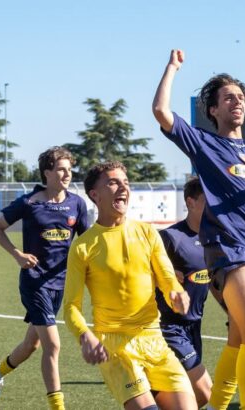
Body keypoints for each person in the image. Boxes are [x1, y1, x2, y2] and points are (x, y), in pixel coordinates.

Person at [152, 49, 245, 410]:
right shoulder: (204, 143)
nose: (237, 102)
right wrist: (172, 68)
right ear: (213, 110)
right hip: (228, 250)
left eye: (241, 98)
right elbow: (160, 111)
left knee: (239, 340)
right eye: (228, 98)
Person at [63, 161, 197, 410]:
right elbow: (71, 305)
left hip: (154, 339)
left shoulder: (147, 232)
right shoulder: (83, 246)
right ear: (95, 195)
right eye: (113, 183)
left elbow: (167, 278)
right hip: (114, 346)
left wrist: (176, 294)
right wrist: (85, 336)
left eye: (125, 182)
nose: (123, 187)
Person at [0, 147, 87, 410]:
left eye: (69, 169)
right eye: (61, 169)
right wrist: (17, 254)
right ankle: (58, 406)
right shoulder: (29, 203)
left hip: (61, 284)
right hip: (34, 282)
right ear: (47, 173)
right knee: (53, 345)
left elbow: (87, 243)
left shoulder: (77, 204)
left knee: (32, 345)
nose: (67, 174)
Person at [156, 177, 212, 408]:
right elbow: (141, 273)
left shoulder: (213, 239)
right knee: (205, 390)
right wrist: (165, 275)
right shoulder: (170, 237)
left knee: (189, 396)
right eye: (207, 200)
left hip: (194, 326)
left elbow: (216, 280)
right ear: (190, 202)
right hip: (168, 327)